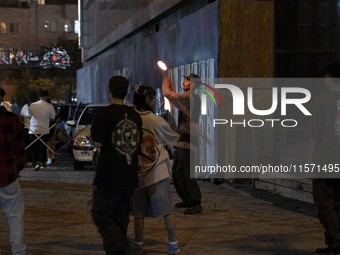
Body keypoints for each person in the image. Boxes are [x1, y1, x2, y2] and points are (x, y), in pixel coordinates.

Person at [90, 76, 142, 255]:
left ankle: (123, 246)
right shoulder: (135, 115)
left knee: (101, 213)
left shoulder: (104, 114)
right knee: (121, 217)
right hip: (129, 173)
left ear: (109, 92)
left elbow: (97, 143)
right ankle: (117, 250)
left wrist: (92, 137)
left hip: (109, 175)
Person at [132, 85, 180, 254]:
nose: (155, 101)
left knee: (138, 212)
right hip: (157, 171)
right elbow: (173, 139)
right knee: (166, 209)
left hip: (136, 171)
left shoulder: (129, 118)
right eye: (153, 99)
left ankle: (138, 242)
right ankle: (172, 242)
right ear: (147, 100)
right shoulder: (157, 120)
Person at [308, 63, 340, 255]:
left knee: (323, 200)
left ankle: (335, 242)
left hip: (325, 158)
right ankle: (334, 242)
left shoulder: (322, 100)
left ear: (328, 77)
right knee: (337, 201)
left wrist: (310, 158)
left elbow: (314, 134)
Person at [162, 73, 202, 214]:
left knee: (187, 174)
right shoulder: (187, 99)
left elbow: (169, 95)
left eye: (186, 80)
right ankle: (187, 199)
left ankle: (196, 203)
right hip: (182, 142)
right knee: (177, 175)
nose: (183, 82)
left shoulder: (190, 98)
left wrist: (166, 80)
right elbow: (173, 98)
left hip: (188, 143)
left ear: (193, 84)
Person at [0, 100, 27, 255]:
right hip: (8, 175)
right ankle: (19, 252)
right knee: (15, 218)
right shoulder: (12, 118)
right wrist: (17, 169)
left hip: (8, 174)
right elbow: (20, 150)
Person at [28, 89, 55, 171]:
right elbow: (52, 118)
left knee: (35, 147)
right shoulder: (50, 106)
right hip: (44, 129)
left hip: (34, 129)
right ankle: (43, 161)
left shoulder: (32, 105)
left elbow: (28, 115)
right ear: (47, 96)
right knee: (43, 146)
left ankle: (37, 162)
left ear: (39, 96)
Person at [20, 90, 39, 167]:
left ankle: (29, 160)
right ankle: (36, 160)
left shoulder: (25, 106)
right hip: (36, 128)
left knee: (28, 146)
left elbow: (21, 117)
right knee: (36, 145)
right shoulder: (38, 106)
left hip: (27, 128)